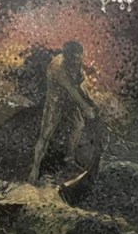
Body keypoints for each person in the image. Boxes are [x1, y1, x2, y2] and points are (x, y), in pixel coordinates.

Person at [29, 41, 97, 183]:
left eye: (79, 58)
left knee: (79, 125)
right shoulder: (57, 68)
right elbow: (71, 90)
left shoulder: (77, 62)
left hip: (69, 100)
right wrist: (86, 107)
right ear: (66, 56)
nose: (76, 61)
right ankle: (34, 169)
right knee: (46, 134)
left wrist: (91, 101)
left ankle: (69, 158)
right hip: (55, 100)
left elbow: (80, 85)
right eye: (73, 58)